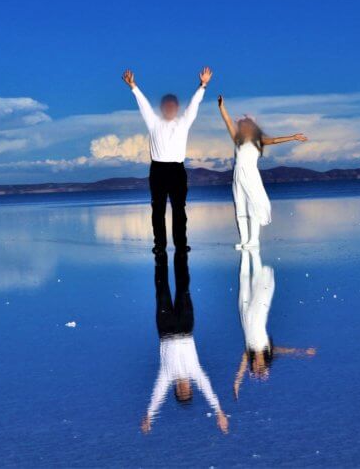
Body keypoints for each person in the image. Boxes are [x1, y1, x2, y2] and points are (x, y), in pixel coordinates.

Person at [122, 66, 212, 253]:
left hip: (177, 171)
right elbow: (144, 105)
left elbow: (194, 106)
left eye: (173, 106)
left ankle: (180, 244)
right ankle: (159, 245)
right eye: (167, 106)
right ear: (162, 108)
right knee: (158, 210)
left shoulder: (183, 122)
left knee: (179, 209)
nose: (170, 108)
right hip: (158, 171)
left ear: (177, 108)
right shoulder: (154, 123)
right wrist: (133, 87)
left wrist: (202, 85)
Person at [141, 250, 228, 435]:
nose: (183, 387)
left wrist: (149, 414)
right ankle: (181, 254)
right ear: (190, 388)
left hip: (166, 329)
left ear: (175, 390)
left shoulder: (167, 377)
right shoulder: (195, 373)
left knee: (162, 288)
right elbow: (207, 389)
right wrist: (219, 411)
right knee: (183, 287)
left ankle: (160, 256)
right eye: (187, 390)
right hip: (185, 327)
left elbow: (158, 394)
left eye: (181, 392)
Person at [216, 95, 308, 248]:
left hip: (251, 175)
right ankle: (244, 240)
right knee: (240, 206)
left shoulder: (259, 140)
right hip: (238, 175)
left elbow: (275, 140)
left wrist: (293, 137)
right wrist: (221, 107)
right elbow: (227, 121)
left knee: (252, 205)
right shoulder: (237, 139)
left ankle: (254, 240)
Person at [232, 246, 316, 398]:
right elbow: (288, 351)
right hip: (257, 316)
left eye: (256, 368)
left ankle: (245, 254)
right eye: (260, 367)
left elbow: (241, 369)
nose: (257, 365)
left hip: (246, 317)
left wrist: (237, 383)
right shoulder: (270, 350)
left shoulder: (248, 353)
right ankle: (254, 253)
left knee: (244, 282)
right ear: (265, 363)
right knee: (259, 288)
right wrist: (304, 352)